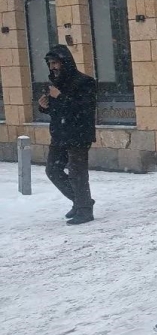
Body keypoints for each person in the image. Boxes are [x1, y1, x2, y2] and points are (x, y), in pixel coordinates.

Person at [38, 44, 97, 225]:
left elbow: (84, 109)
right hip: (59, 135)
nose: (52, 67)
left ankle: (85, 211)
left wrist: (60, 97)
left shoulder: (85, 82)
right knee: (53, 170)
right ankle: (81, 201)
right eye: (50, 63)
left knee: (77, 173)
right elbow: (59, 111)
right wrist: (44, 106)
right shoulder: (56, 84)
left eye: (55, 63)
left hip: (79, 135)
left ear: (65, 62)